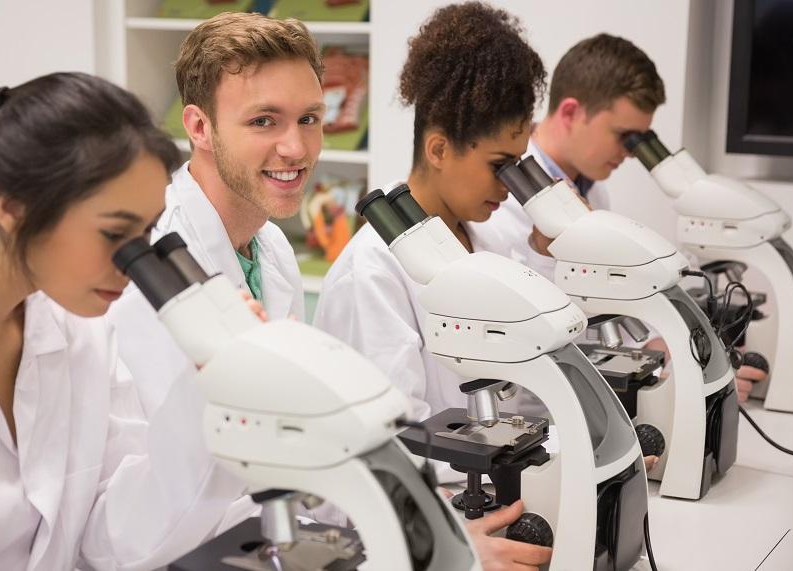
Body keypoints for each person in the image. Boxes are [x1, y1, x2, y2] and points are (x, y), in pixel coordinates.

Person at [0, 72, 246, 569]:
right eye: (114, 232)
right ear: (11, 207)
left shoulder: (78, 329)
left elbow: (112, 532)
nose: (132, 265)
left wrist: (209, 399)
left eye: (147, 233)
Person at [314, 3, 552, 568]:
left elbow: (524, 393)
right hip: (411, 529)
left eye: (519, 164)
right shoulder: (371, 272)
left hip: (488, 497)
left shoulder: (491, 242)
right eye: (500, 164)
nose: (512, 186)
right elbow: (392, 454)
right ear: (439, 148)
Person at [500, 33, 766, 400]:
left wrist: (681, 360)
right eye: (624, 136)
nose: (629, 153)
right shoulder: (501, 202)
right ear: (571, 113)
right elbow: (533, 338)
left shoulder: (591, 189)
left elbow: (603, 310)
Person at [108, 12, 316, 414]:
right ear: (200, 128)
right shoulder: (153, 268)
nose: (297, 148)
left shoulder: (272, 246)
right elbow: (159, 450)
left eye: (308, 119)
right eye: (263, 121)